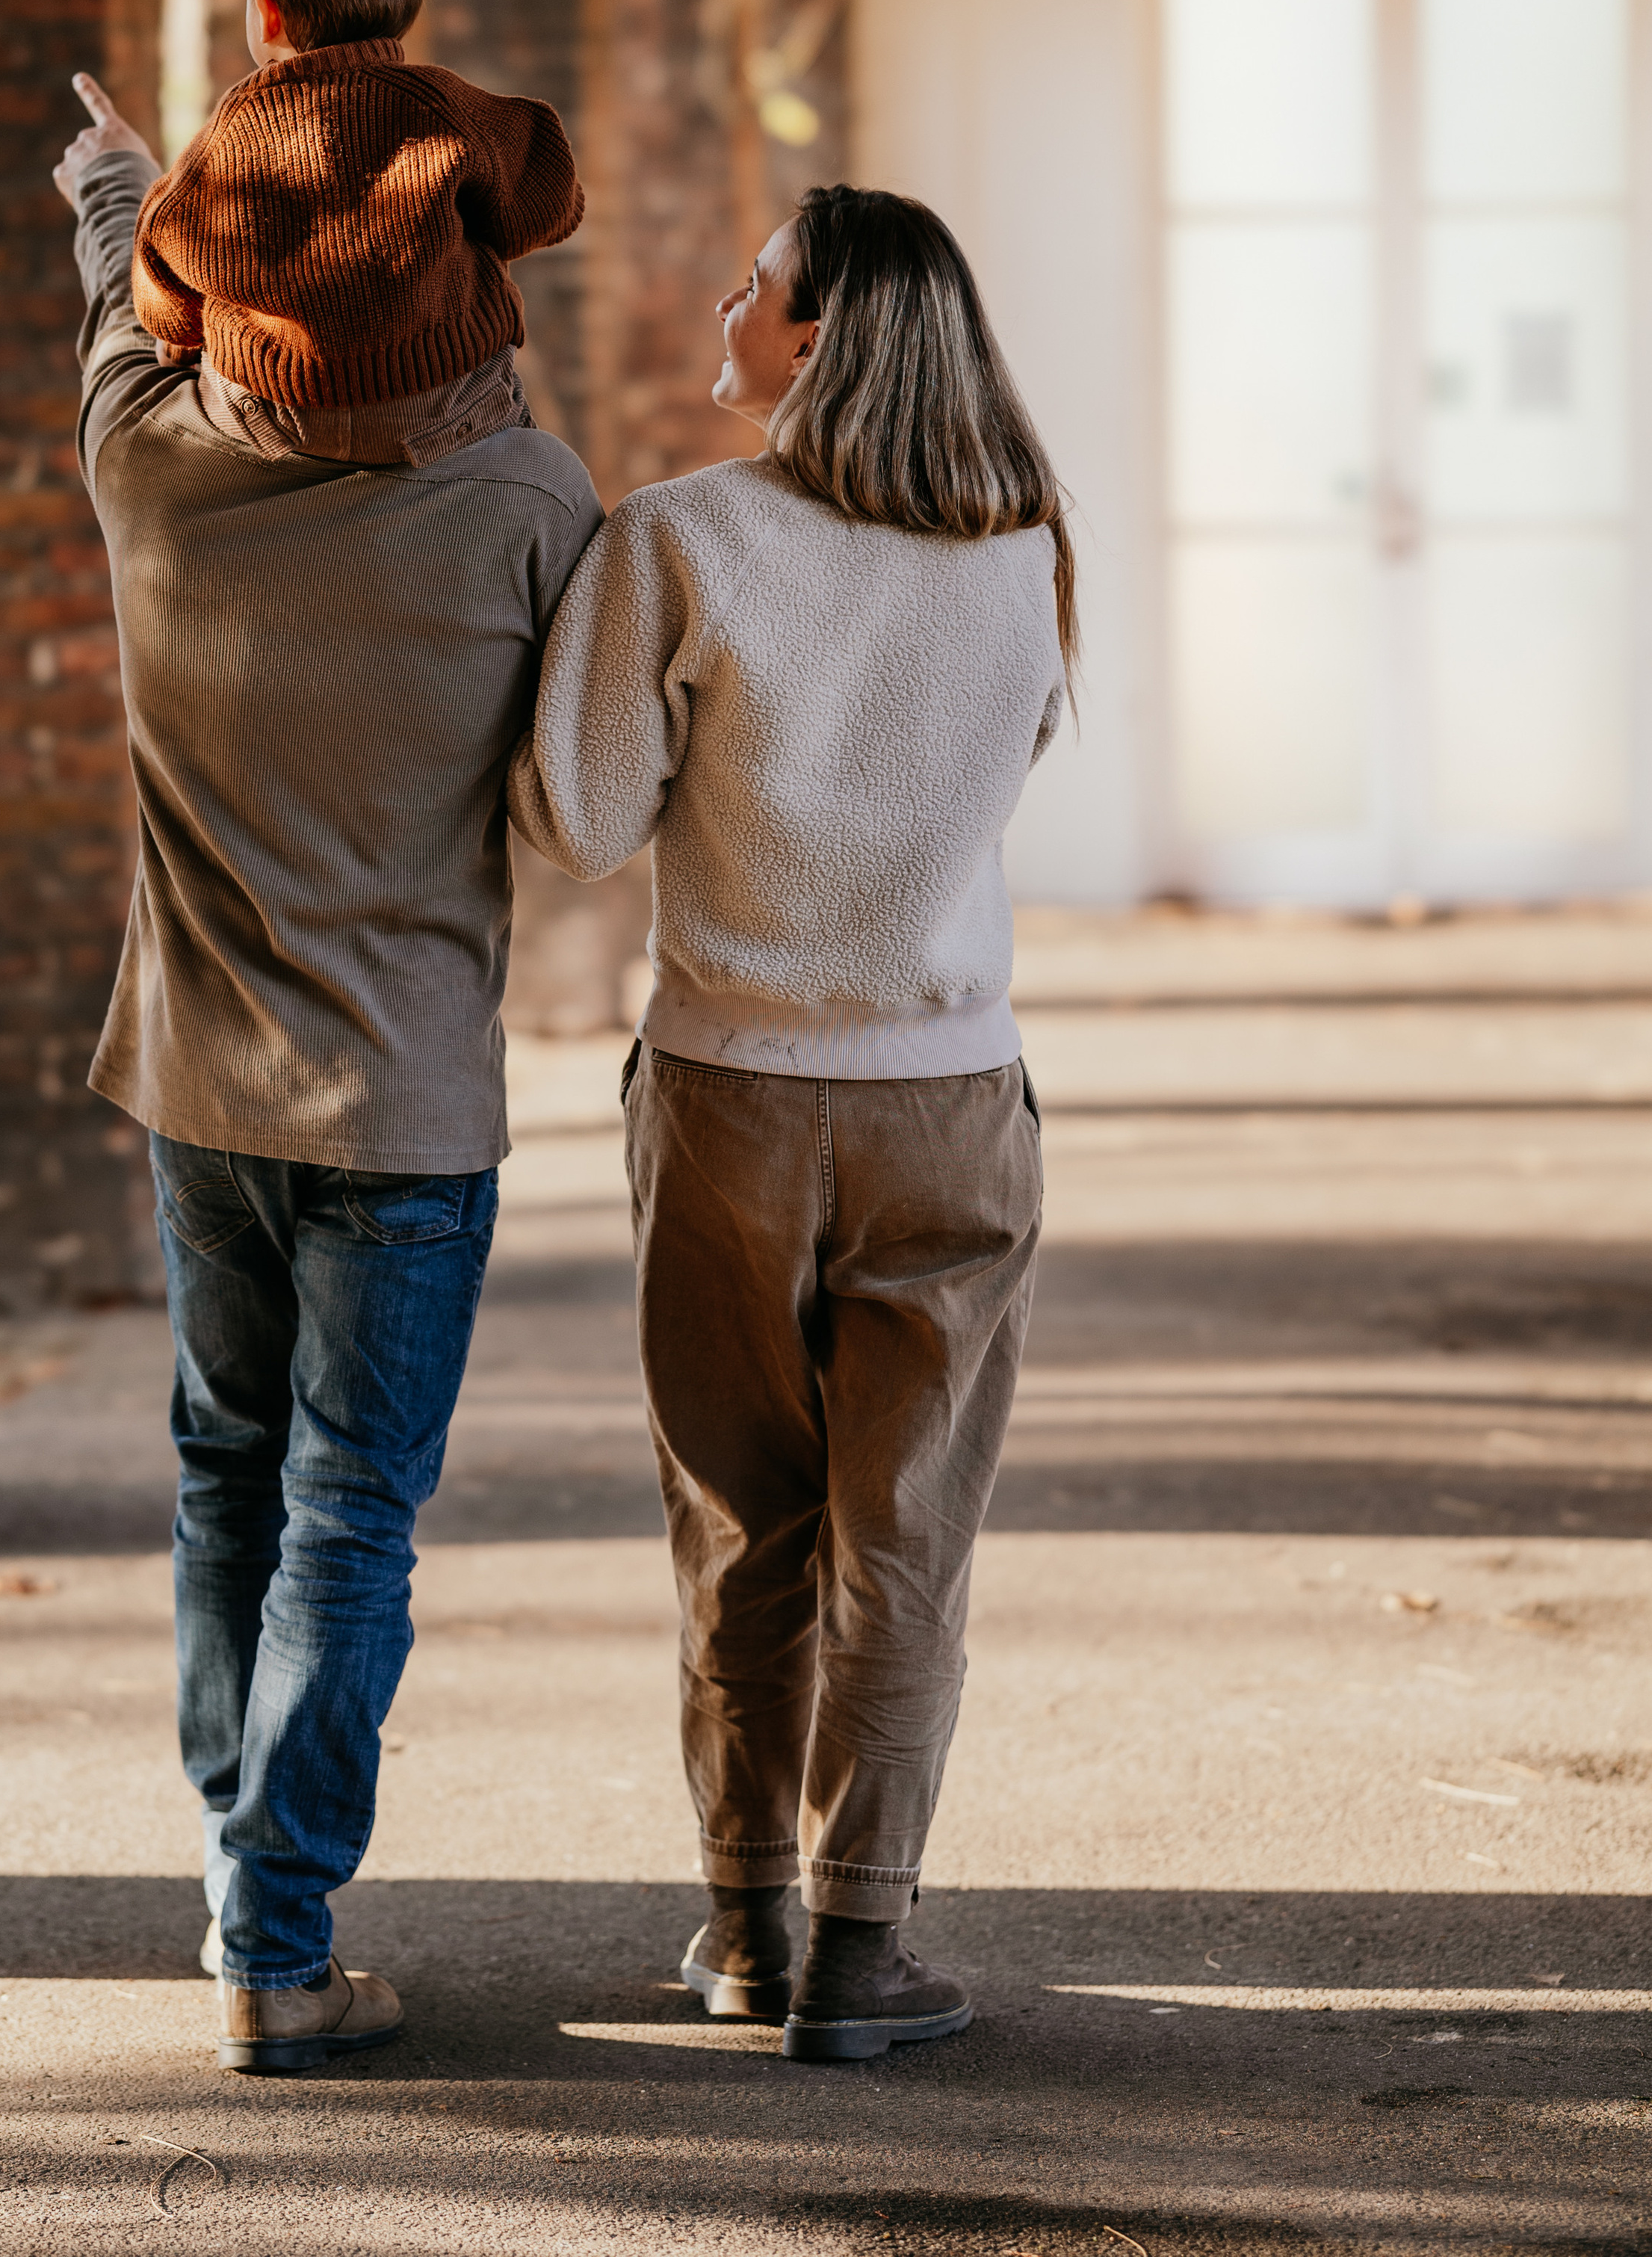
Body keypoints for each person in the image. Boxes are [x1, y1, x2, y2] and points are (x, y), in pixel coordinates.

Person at [52, 0, 600, 2073]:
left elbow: (126, 278)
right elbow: (582, 803)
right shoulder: (537, 509)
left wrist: (122, 182)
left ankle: (237, 1893)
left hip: (200, 1085)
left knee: (224, 1478)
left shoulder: (146, 475)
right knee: (348, 1515)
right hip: (409, 1107)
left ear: (262, 31)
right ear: (462, 254)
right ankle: (279, 1936)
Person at [507, 185, 1071, 2063]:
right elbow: (1016, 762)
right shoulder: (1021, 549)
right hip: (947, 1101)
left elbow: (579, 820)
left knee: (740, 1520)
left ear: (814, 338)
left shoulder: (671, 540)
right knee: (900, 1536)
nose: (722, 307)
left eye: (752, 288)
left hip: (730, 1095)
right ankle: (861, 1952)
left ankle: (742, 1922)